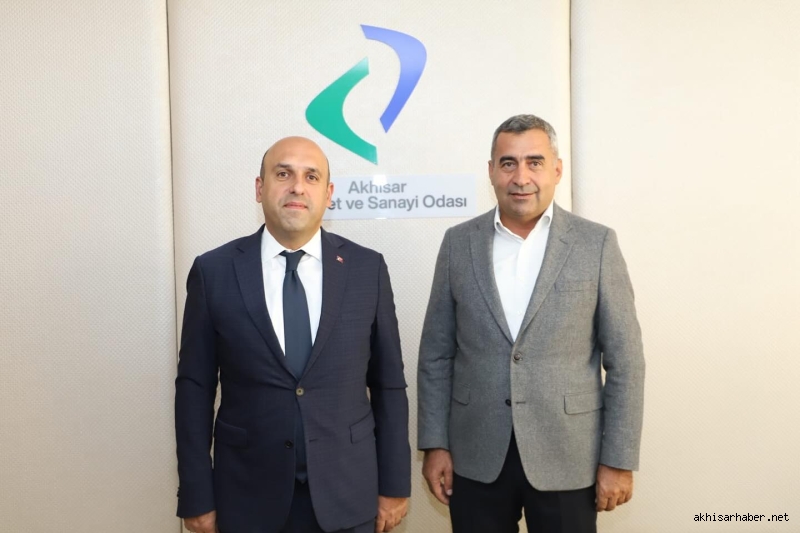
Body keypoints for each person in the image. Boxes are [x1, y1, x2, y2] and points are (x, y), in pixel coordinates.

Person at [417, 115, 645, 532]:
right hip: (475, 456)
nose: (521, 177)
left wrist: (618, 459)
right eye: (509, 163)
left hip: (569, 457)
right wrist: (435, 445)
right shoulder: (458, 243)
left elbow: (626, 361)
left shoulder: (596, 244)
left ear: (556, 169)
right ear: (491, 171)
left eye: (534, 162)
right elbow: (436, 354)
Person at [175, 137, 410, 533]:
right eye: (283, 174)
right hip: (246, 498)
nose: (297, 187)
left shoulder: (367, 269)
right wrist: (197, 494)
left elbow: (388, 384)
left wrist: (394, 484)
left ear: (328, 194)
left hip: (348, 495)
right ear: (260, 187)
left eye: (311, 177)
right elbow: (194, 388)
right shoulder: (213, 272)